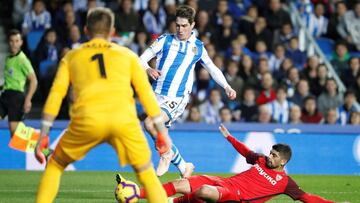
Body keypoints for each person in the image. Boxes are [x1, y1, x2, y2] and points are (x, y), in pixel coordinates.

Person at [34, 7, 171, 203]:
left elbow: (56, 96)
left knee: (55, 164)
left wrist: (43, 135)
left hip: (87, 121)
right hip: (123, 122)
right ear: (112, 31)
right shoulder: (128, 56)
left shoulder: (72, 56)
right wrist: (161, 132)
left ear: (86, 31)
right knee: (146, 174)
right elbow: (146, 95)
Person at [139, 5, 236, 178]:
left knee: (150, 123)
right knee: (157, 131)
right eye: (177, 25)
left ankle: (165, 154)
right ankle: (184, 166)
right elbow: (141, 59)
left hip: (177, 97)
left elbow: (212, 68)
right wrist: (147, 69)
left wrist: (227, 86)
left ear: (192, 25)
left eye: (184, 26)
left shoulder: (197, 47)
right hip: (156, 94)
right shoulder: (164, 40)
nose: (180, 29)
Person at [134, 124, 335, 203]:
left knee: (204, 190)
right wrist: (229, 137)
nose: (269, 156)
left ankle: (173, 202)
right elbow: (246, 152)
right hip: (225, 183)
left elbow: (307, 198)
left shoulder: (285, 183)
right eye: (270, 152)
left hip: (236, 198)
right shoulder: (261, 160)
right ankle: (136, 194)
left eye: (274, 155)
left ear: (283, 161)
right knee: (180, 184)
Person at [0, 29, 38, 136]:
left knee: (15, 133)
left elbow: (34, 81)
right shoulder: (8, 58)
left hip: (16, 98)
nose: (14, 44)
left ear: (21, 42)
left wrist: (28, 100)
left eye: (17, 41)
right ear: (8, 42)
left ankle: (38, 143)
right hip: (5, 95)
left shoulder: (23, 60)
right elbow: (12, 79)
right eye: (12, 41)